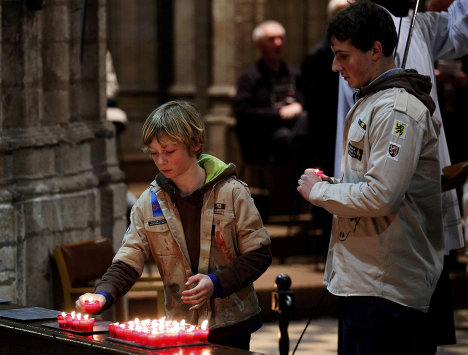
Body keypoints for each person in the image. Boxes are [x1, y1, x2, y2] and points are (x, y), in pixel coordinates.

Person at [298, 2, 444, 354]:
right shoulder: (371, 101)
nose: (335, 66)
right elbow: (368, 183)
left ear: (375, 50)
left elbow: (381, 196)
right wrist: (331, 185)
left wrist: (319, 193)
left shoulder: (398, 110)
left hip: (387, 287)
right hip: (364, 280)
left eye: (343, 56)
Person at [76, 100, 272, 350]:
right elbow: (128, 260)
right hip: (181, 325)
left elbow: (259, 254)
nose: (161, 161)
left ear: (195, 144)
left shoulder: (232, 192)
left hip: (232, 322)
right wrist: (102, 294)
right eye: (154, 153)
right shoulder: (148, 202)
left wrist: (216, 283)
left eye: (169, 152)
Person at [300, 0, 353, 260]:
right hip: (325, 131)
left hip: (347, 127)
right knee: (324, 183)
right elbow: (313, 100)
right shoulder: (317, 56)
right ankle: (324, 244)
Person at [233, 20, 309, 170]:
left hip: (296, 127)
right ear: (259, 44)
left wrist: (299, 105)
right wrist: (278, 113)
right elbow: (243, 112)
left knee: (307, 127)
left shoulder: (294, 74)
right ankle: (292, 189)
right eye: (271, 39)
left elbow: (308, 99)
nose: (278, 43)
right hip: (263, 137)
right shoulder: (250, 78)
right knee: (287, 138)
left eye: (281, 38)